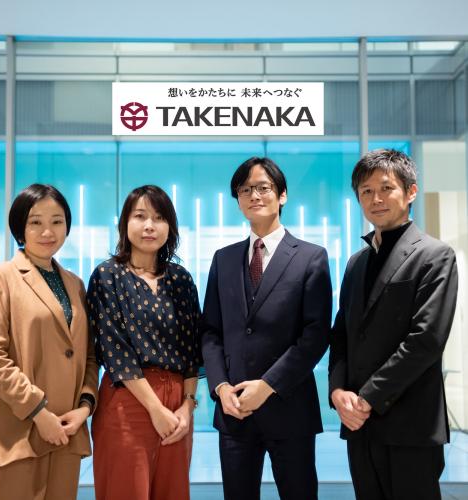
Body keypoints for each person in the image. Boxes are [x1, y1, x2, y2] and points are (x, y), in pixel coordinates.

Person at [329, 149, 458, 500]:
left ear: (411, 191)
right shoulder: (356, 262)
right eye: (366, 191)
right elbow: (341, 335)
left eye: (386, 188)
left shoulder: (434, 255)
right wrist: (337, 392)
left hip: (409, 424)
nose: (376, 198)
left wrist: (367, 398)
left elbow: (426, 339)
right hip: (359, 424)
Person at [201, 157, 332, 500]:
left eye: (263, 187)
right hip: (234, 410)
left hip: (290, 407)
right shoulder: (223, 259)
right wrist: (220, 387)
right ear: (238, 199)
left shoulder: (311, 257)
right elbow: (211, 332)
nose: (254, 196)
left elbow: (316, 334)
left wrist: (269, 385)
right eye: (245, 190)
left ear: (282, 195)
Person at [0, 184, 98, 500]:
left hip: (66, 430)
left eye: (57, 221)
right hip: (19, 429)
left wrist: (84, 407)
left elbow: (89, 356)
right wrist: (39, 412)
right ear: (20, 227)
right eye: (35, 222)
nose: (47, 231)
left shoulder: (75, 284)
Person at [88, 185, 201, 500]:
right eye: (140, 216)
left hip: (178, 401)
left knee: (173, 492)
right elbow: (115, 350)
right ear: (125, 223)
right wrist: (155, 408)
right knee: (126, 490)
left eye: (159, 217)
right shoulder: (107, 275)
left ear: (170, 227)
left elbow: (192, 350)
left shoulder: (181, 279)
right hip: (128, 398)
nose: (149, 225)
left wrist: (187, 407)